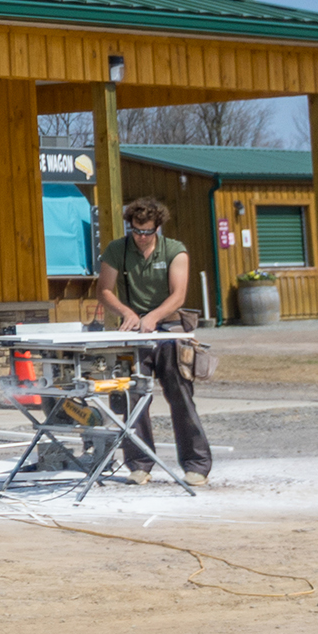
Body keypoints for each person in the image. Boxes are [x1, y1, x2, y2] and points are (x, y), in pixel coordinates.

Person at [93, 194, 211, 485]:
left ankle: (196, 464)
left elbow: (178, 294)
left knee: (180, 395)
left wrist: (154, 316)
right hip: (134, 333)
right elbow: (104, 290)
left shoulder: (175, 251)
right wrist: (126, 312)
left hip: (169, 328)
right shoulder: (116, 250)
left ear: (158, 227)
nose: (142, 237)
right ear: (129, 226)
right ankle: (139, 464)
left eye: (148, 232)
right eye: (136, 230)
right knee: (131, 396)